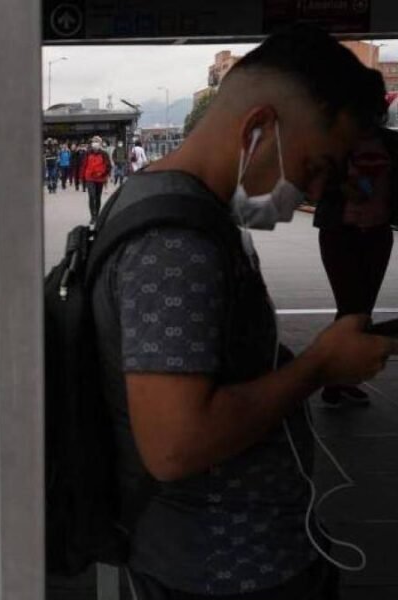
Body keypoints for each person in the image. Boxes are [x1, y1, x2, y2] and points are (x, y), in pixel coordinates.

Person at [85, 25, 389, 599]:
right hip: (221, 570)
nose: (317, 189)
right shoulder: (177, 242)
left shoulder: (176, 204)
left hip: (238, 557)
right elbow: (176, 443)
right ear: (259, 128)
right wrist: (320, 368)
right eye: (317, 165)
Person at [314, 126, 398, 407]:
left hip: (377, 232)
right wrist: (341, 187)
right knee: (350, 308)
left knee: (361, 310)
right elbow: (313, 183)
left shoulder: (391, 142)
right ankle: (332, 376)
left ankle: (341, 377)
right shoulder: (334, 141)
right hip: (340, 232)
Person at [81, 135, 111, 219]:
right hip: (89, 178)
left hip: (99, 178)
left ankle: (97, 214)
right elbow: (84, 165)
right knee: (91, 196)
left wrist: (103, 174)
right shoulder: (87, 153)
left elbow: (108, 166)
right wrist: (82, 177)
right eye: (94, 141)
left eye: (97, 141)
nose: (95, 143)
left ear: (100, 143)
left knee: (98, 197)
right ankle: (92, 216)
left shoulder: (104, 154)